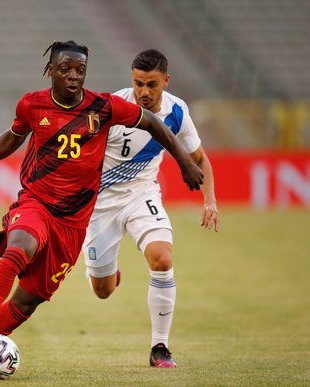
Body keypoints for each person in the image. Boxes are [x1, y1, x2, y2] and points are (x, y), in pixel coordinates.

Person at [0, 40, 204, 374]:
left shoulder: (103, 107)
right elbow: (11, 138)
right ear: (50, 70)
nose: (73, 76)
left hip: (75, 223)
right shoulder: (31, 105)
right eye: (65, 68)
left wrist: (183, 161)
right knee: (21, 247)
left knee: (29, 298)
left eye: (80, 70)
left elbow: (153, 123)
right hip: (37, 203)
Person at [81, 49, 220, 368]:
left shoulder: (177, 111)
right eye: (138, 83)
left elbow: (199, 160)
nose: (143, 91)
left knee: (162, 258)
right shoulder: (113, 107)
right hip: (101, 204)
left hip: (142, 194)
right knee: (103, 291)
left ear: (165, 82)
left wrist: (209, 200)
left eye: (151, 85)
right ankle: (108, 273)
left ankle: (161, 347)